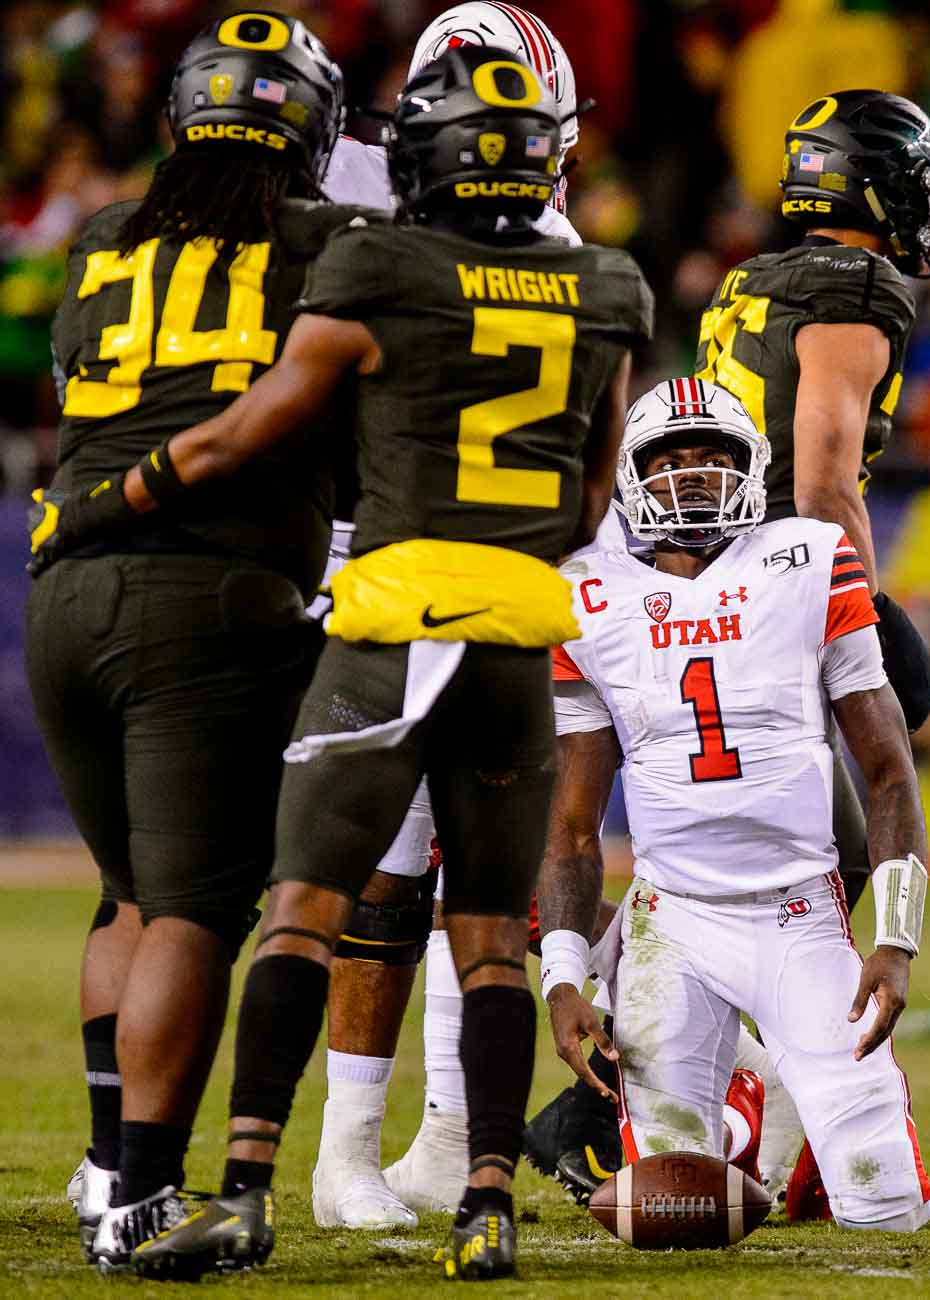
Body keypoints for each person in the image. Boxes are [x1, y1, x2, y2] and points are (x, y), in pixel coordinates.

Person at [37, 44, 653, 1281]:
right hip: (487, 626)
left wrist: (106, 499)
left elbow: (214, 417)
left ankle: (212, 1183)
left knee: (259, 908)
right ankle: (484, 1199)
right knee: (478, 934)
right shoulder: (604, 284)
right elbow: (590, 500)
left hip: (306, 611)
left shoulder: (323, 254)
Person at [526, 86, 930, 1212]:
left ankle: (634, 1089)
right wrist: (836, 596)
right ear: (882, 188)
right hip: (755, 573)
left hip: (685, 565)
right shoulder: (858, 286)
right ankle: (673, 1091)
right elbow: (818, 482)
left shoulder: (757, 277)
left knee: (748, 836)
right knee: (859, 756)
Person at [25, 9, 351, 1271]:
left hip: (63, 583)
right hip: (205, 592)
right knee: (199, 908)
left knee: (129, 893)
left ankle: (109, 1160)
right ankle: (145, 1198)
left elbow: (74, 385)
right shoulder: (327, 241)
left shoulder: (103, 237)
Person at [308, 1, 588, 1232]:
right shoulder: (352, 199)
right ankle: (333, 1148)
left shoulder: (542, 232)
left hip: (481, 568)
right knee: (367, 864)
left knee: (465, 870)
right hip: (368, 559)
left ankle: (439, 1142)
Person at [539, 377, 930, 1230]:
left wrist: (896, 939)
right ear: (635, 477)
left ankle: (769, 1123)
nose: (690, 475)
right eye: (668, 460)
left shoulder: (808, 557)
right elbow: (572, 825)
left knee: (884, 1201)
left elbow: (890, 773)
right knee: (675, 1193)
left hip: (799, 916)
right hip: (666, 924)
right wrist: (564, 977)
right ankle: (744, 1112)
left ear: (749, 467)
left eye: (712, 457)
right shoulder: (587, 596)